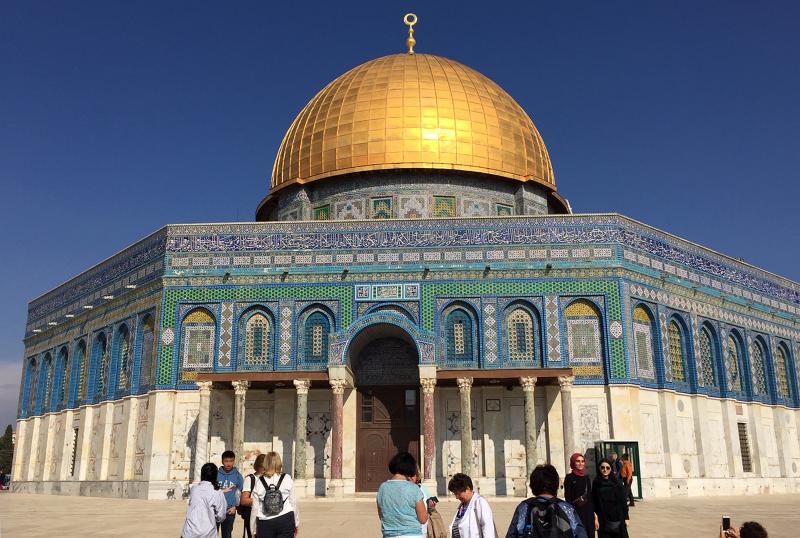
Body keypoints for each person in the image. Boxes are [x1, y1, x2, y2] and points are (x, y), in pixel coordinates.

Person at [506, 464, 587, 538]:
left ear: (532, 485)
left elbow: (512, 534)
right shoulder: (566, 507)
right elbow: (580, 534)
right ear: (556, 484)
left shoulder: (524, 507)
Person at [376, 452, 428, 538]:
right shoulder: (414, 488)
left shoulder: (382, 488)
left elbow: (382, 515)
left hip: (389, 535)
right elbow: (423, 519)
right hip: (412, 534)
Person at [248, 451, 298, 538]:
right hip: (285, 519)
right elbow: (294, 502)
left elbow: (255, 508)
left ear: (265, 463)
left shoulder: (259, 481)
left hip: (265, 522)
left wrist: (253, 529)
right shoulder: (287, 478)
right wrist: (296, 523)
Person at [181, 462, 228, 538]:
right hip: (207, 533)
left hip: (189, 532)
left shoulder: (194, 489)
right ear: (215, 475)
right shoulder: (217, 492)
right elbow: (221, 516)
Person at [447, 473, 497, 538]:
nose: (456, 497)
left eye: (458, 493)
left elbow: (488, 528)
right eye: (455, 493)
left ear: (468, 488)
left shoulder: (480, 503)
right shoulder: (462, 506)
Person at [592, 459, 629, 538]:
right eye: (602, 467)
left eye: (607, 468)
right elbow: (594, 501)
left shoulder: (617, 482)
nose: (605, 470)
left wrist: (626, 517)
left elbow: (623, 501)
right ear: (599, 468)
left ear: (611, 469)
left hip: (617, 516)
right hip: (602, 517)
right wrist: (595, 518)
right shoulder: (596, 482)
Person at [564, 453, 597, 538]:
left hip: (588, 514)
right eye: (578, 461)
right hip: (577, 513)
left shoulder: (586, 477)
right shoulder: (569, 478)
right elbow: (568, 499)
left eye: (582, 461)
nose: (580, 463)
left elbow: (590, 498)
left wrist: (595, 516)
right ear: (573, 463)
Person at [218, 450, 244, 538]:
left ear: (234, 461)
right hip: (216, 510)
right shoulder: (216, 474)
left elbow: (241, 493)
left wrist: (235, 507)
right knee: (212, 534)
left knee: (227, 535)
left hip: (230, 510)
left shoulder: (237, 475)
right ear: (222, 461)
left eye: (231, 461)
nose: (228, 464)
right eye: (226, 461)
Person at [239, 453, 266, 538]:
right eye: (263, 466)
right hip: (253, 516)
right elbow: (244, 500)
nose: (265, 468)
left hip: (267, 517)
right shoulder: (250, 479)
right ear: (258, 466)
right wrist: (262, 500)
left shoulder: (271, 479)